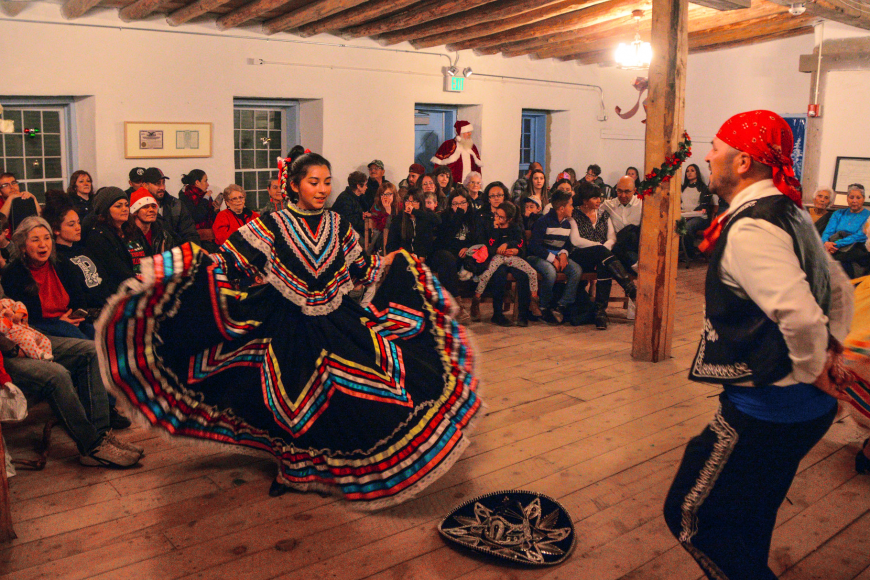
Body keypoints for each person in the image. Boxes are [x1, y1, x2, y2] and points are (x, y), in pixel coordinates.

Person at [94, 151, 482, 507]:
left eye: (327, 182)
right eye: (314, 182)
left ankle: (324, 463)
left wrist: (391, 262)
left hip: (335, 320)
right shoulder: (272, 224)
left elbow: (359, 269)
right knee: (287, 394)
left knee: (362, 388)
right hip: (283, 322)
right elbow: (231, 263)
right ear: (294, 185)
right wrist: (186, 268)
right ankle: (292, 466)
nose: (322, 189)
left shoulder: (338, 224)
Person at [663, 110, 855, 580]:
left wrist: (817, 367)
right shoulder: (790, 209)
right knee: (750, 516)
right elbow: (840, 288)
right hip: (803, 408)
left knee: (693, 517)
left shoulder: (752, 228)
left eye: (716, 147)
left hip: (769, 409)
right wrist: (832, 351)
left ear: (743, 161)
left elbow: (801, 314)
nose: (707, 155)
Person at [2, 216, 91, 340]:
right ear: (23, 246)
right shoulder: (13, 273)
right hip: (40, 330)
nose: (43, 245)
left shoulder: (62, 263)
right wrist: (58, 322)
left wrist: (73, 317)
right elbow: (24, 317)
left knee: (110, 339)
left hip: (71, 323)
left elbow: (79, 298)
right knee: (93, 349)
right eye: (35, 240)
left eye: (47, 238)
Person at [570, 181, 638, 330]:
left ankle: (600, 312)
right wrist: (600, 248)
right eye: (594, 198)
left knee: (604, 264)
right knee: (603, 256)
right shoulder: (574, 214)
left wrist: (602, 250)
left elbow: (612, 237)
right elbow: (576, 240)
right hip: (580, 255)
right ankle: (629, 287)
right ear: (584, 200)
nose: (599, 201)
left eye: (599, 197)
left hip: (602, 256)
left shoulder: (603, 213)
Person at [474, 202, 537, 327]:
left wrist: (514, 249)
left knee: (523, 276)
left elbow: (520, 243)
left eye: (501, 217)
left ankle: (523, 314)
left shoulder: (515, 227)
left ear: (509, 219)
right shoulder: (492, 227)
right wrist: (495, 231)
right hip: (497, 259)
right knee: (499, 275)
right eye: (496, 214)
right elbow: (489, 245)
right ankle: (497, 314)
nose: (497, 218)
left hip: (513, 258)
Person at [527, 190, 583, 325]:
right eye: (570, 205)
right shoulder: (543, 221)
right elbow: (535, 247)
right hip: (537, 257)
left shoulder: (567, 223)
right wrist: (553, 259)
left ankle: (562, 305)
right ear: (562, 208)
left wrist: (563, 253)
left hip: (557, 256)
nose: (572, 208)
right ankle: (543, 307)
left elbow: (568, 244)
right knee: (550, 272)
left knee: (576, 270)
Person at [42, 191, 106, 308]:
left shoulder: (84, 250)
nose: (78, 228)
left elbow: (104, 280)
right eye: (71, 224)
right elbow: (74, 296)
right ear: (56, 229)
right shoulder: (57, 259)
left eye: (78, 223)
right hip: (88, 311)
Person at [84, 187, 138, 303]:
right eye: (118, 206)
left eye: (126, 205)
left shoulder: (128, 230)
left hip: (128, 286)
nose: (124, 209)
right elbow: (116, 270)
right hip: (113, 296)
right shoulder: (98, 236)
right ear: (106, 210)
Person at [821, 183, 870, 278]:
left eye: (858, 198)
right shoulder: (838, 213)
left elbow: (860, 236)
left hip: (855, 249)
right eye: (851, 197)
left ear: (863, 199)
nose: (854, 201)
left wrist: (836, 244)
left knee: (839, 263)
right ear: (847, 198)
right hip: (832, 246)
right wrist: (826, 243)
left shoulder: (868, 216)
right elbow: (828, 231)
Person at [142, 167, 199, 244]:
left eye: (163, 183)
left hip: (177, 252)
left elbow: (190, 234)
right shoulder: (138, 208)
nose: (162, 187)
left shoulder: (176, 205)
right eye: (157, 184)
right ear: (145, 185)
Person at [386, 188, 440, 262]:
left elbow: (438, 220)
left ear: (420, 203)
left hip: (424, 257)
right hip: (404, 257)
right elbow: (391, 243)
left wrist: (415, 211)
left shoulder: (425, 215)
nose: (410, 204)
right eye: (407, 201)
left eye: (414, 201)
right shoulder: (399, 219)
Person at [603, 175, 643, 271]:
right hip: (618, 247)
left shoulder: (642, 203)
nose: (623, 195)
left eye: (627, 191)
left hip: (637, 245)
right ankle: (636, 267)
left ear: (634, 190)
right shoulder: (608, 205)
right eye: (619, 191)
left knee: (631, 231)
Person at [431, 120, 483, 184]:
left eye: (470, 132)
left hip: (470, 186)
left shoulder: (472, 147)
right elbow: (438, 168)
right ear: (461, 133)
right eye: (468, 132)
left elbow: (477, 169)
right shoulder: (448, 145)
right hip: (451, 186)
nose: (470, 134)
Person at [681, 163, 716, 258]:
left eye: (692, 170)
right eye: (687, 171)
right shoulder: (682, 188)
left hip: (700, 218)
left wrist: (690, 215)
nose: (689, 173)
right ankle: (678, 252)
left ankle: (690, 255)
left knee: (687, 227)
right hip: (684, 215)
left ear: (697, 173)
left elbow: (703, 206)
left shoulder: (703, 188)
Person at [130, 187, 177, 255]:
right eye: (145, 207)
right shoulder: (126, 236)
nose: (151, 210)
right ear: (135, 212)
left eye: (153, 206)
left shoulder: (164, 236)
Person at [179, 169, 219, 247]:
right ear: (197, 182)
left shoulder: (205, 196)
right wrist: (205, 199)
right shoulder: (185, 197)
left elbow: (213, 219)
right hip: (194, 241)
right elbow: (196, 216)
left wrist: (216, 210)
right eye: (205, 181)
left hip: (210, 239)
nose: (207, 184)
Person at [0, 172, 41, 240]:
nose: (12, 187)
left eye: (13, 183)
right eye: (5, 185)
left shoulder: (23, 200)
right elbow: (1, 222)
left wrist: (34, 199)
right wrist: (10, 198)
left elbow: (41, 219)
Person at [330, 171, 367, 237]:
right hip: (344, 235)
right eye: (365, 185)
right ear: (358, 186)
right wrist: (365, 223)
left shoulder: (358, 197)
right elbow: (349, 221)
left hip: (353, 232)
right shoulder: (345, 199)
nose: (366, 187)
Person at [367, 182, 398, 256]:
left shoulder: (399, 206)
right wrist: (387, 212)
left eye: (388, 194)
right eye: (382, 194)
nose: (385, 197)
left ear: (394, 194)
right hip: (381, 239)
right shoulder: (376, 207)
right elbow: (382, 228)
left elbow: (396, 227)